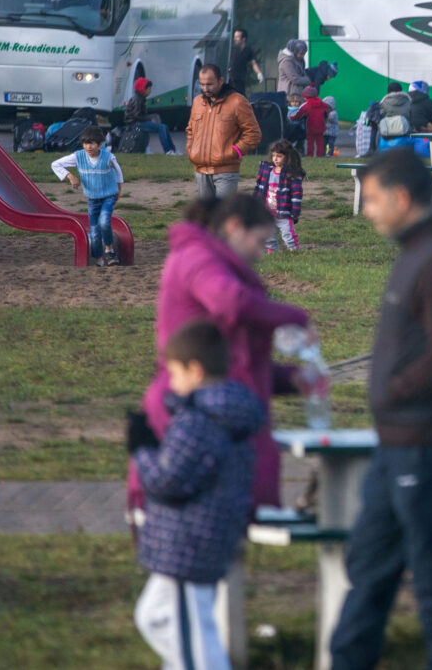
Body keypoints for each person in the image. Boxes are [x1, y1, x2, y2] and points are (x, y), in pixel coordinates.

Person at [331, 149, 432, 670]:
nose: (366, 210)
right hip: (395, 447)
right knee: (369, 569)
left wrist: (395, 390)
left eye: (371, 200)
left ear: (399, 197)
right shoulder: (417, 250)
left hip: (426, 444)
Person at [126, 193, 311, 538]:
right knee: (188, 545)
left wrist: (291, 380)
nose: (260, 253)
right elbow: (233, 303)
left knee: (207, 552)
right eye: (259, 242)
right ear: (234, 227)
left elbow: (236, 361)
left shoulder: (215, 262)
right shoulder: (199, 259)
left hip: (209, 411)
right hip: (189, 412)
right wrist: (293, 317)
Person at [131, 320, 264, 670]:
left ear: (195, 370)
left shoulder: (199, 421)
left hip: (188, 545)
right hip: (197, 540)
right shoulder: (222, 417)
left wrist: (141, 449)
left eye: (174, 373)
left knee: (193, 639)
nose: (171, 383)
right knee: (153, 615)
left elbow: (167, 481)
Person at [51, 125, 124, 266]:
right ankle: (98, 259)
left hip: (109, 196)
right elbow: (56, 164)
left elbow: (118, 172)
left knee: (104, 222)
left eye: (92, 143)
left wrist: (119, 189)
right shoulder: (79, 156)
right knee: (95, 231)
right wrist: (70, 176)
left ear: (100, 144)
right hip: (92, 199)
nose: (88, 147)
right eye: (85, 143)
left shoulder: (108, 157)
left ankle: (109, 250)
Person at [186, 64, 260, 199]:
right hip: (201, 170)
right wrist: (191, 149)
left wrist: (234, 152)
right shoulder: (197, 102)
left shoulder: (237, 102)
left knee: (224, 215)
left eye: (209, 84)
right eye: (202, 84)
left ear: (220, 81)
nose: (205, 89)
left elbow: (253, 134)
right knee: (205, 216)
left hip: (226, 171)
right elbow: (190, 129)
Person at [253, 140, 304, 252]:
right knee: (270, 236)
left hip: (284, 212)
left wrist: (295, 212)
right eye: (274, 156)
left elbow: (296, 194)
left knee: (288, 233)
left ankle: (294, 250)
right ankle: (272, 253)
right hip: (268, 212)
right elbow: (258, 188)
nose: (275, 159)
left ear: (287, 157)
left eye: (279, 156)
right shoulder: (267, 171)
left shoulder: (292, 174)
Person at [123, 77, 176, 154]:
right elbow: (136, 116)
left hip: (137, 122)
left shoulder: (140, 98)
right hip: (135, 124)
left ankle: (173, 150)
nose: (150, 91)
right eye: (149, 89)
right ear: (143, 89)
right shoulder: (137, 100)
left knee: (164, 127)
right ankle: (168, 150)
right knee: (162, 127)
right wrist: (149, 118)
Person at [293, 86, 332, 158]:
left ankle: (310, 155)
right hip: (321, 126)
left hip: (310, 127)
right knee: (320, 143)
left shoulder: (306, 105)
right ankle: (320, 155)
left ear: (306, 97)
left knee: (310, 143)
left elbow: (299, 115)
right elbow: (328, 109)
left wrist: (292, 118)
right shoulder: (322, 104)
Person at [229, 28, 264, 95]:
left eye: (237, 37)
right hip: (230, 78)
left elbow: (253, 63)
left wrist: (259, 73)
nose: (235, 39)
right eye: (234, 37)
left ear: (243, 39)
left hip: (241, 79)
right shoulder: (231, 50)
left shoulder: (248, 50)